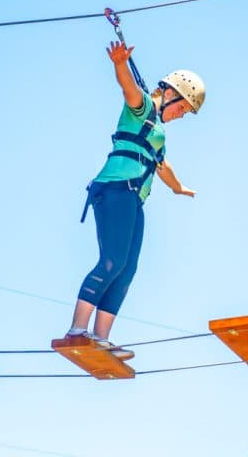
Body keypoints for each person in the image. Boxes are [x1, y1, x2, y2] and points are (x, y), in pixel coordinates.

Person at [63, 40, 206, 360]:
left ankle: (100, 337)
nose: (182, 116)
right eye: (183, 108)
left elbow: (163, 166)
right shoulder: (141, 107)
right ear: (170, 94)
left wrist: (178, 188)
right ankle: (76, 330)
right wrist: (119, 64)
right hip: (115, 190)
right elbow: (128, 88)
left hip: (133, 199)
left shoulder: (158, 133)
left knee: (127, 268)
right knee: (112, 260)